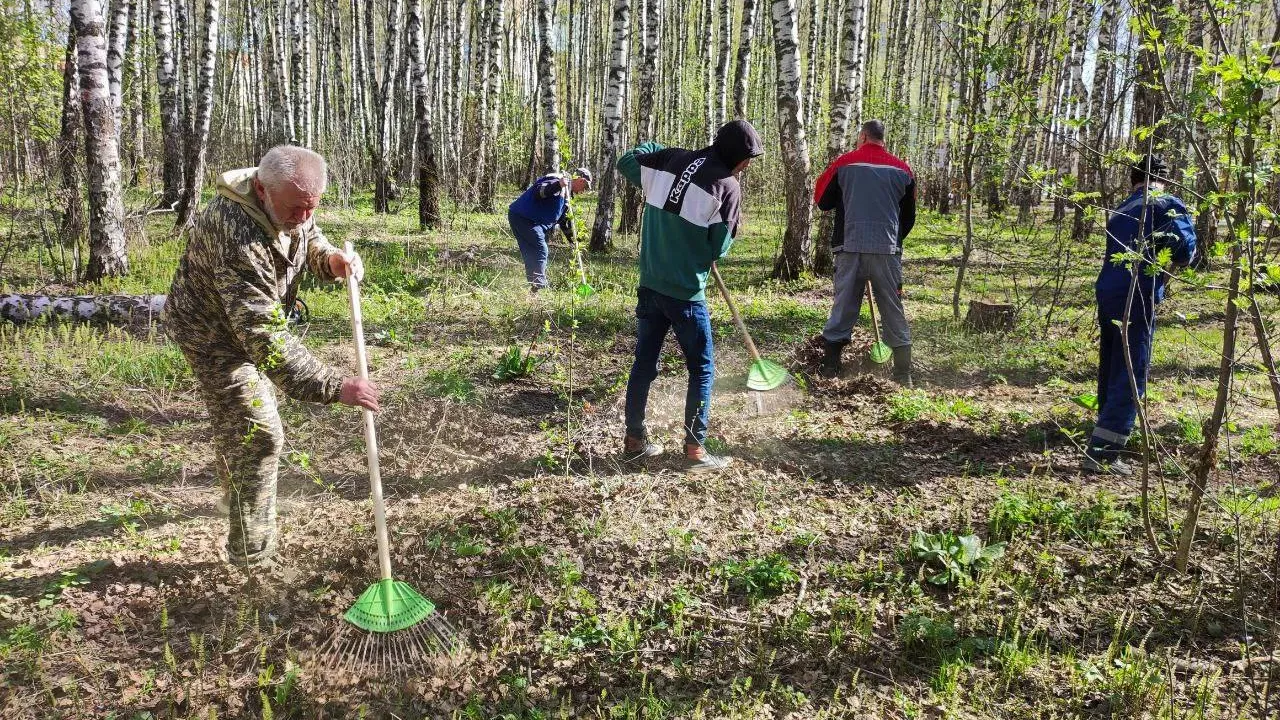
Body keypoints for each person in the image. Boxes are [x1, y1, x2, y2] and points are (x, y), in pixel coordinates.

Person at [164, 145, 379, 568]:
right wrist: (337, 386)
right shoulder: (234, 234)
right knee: (259, 432)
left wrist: (330, 260)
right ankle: (251, 558)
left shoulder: (289, 198)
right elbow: (264, 338)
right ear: (261, 190)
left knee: (244, 429)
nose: (302, 215)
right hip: (213, 337)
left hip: (245, 325)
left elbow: (307, 237)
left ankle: (236, 493)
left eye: (309, 207)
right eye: (294, 207)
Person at [615, 119, 764, 471]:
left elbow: (626, 161)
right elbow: (718, 247)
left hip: (650, 286)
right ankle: (695, 450)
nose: (746, 166)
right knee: (701, 369)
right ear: (734, 156)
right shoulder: (726, 187)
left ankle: (634, 439)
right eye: (746, 159)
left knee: (644, 364)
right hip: (685, 293)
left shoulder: (669, 161)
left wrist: (655, 147)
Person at [1084, 154, 1197, 475]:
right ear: (1164, 179)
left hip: (1108, 292)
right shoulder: (1165, 203)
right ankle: (1103, 453)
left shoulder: (1121, 208)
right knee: (1132, 369)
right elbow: (1185, 253)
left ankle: (1104, 428)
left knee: (1113, 363)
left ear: (1133, 180)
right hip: (1138, 294)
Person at [812, 119, 917, 385]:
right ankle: (903, 374)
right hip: (886, 250)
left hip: (850, 247)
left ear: (862, 137)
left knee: (844, 305)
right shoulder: (904, 170)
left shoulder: (844, 164)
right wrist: (890, 240)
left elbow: (822, 201)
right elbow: (909, 217)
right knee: (893, 308)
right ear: (883, 139)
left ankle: (830, 368)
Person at [507, 167, 593, 291]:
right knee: (541, 249)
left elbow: (564, 221)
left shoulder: (568, 196)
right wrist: (559, 185)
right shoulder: (556, 180)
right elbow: (540, 191)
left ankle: (534, 289)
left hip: (529, 220)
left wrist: (574, 242)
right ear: (580, 180)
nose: (583, 191)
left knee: (532, 253)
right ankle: (539, 287)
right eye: (585, 187)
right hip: (524, 218)